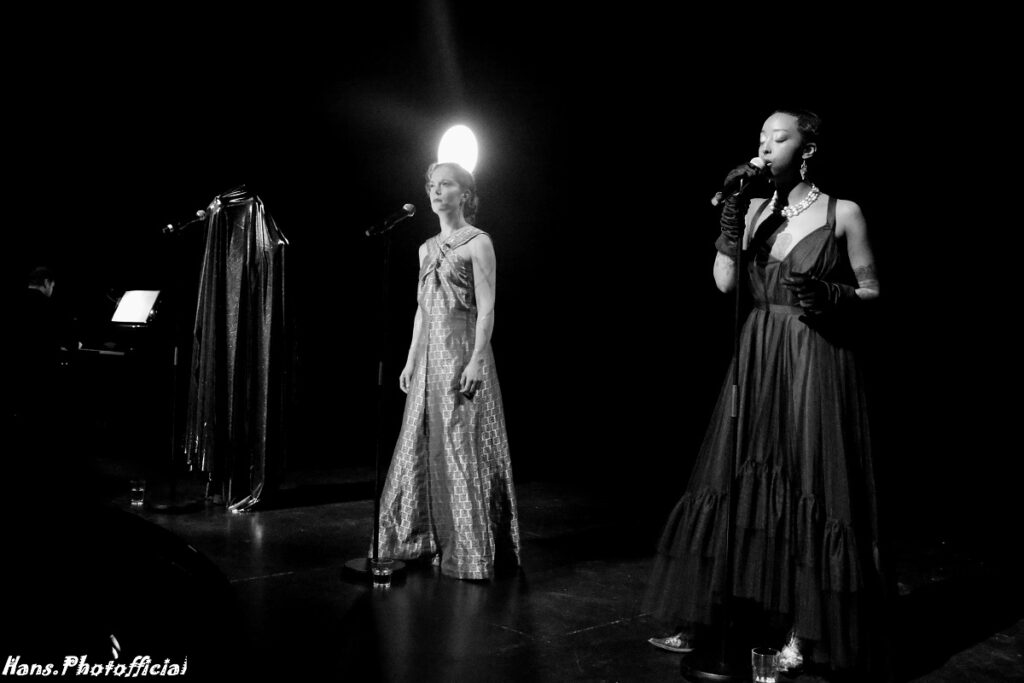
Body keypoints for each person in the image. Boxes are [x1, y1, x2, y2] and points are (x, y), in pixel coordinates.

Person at [644, 109, 887, 676]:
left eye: (779, 138)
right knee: (735, 475)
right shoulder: (754, 209)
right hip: (758, 351)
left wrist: (832, 293)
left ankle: (804, 633)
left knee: (808, 481)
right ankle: (711, 618)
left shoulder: (843, 212)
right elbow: (725, 283)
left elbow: (872, 291)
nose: (767, 146)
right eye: (761, 138)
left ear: (806, 149)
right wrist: (732, 223)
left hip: (813, 353)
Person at [375, 161, 521, 580]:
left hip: (461, 353)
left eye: (446, 184)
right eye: (432, 186)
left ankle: (470, 549)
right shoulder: (425, 249)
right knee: (421, 442)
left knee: (459, 446)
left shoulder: (478, 242)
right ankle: (417, 538)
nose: (437, 192)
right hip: (429, 361)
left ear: (465, 194)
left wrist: (477, 358)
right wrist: (410, 358)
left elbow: (487, 307)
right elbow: (422, 311)